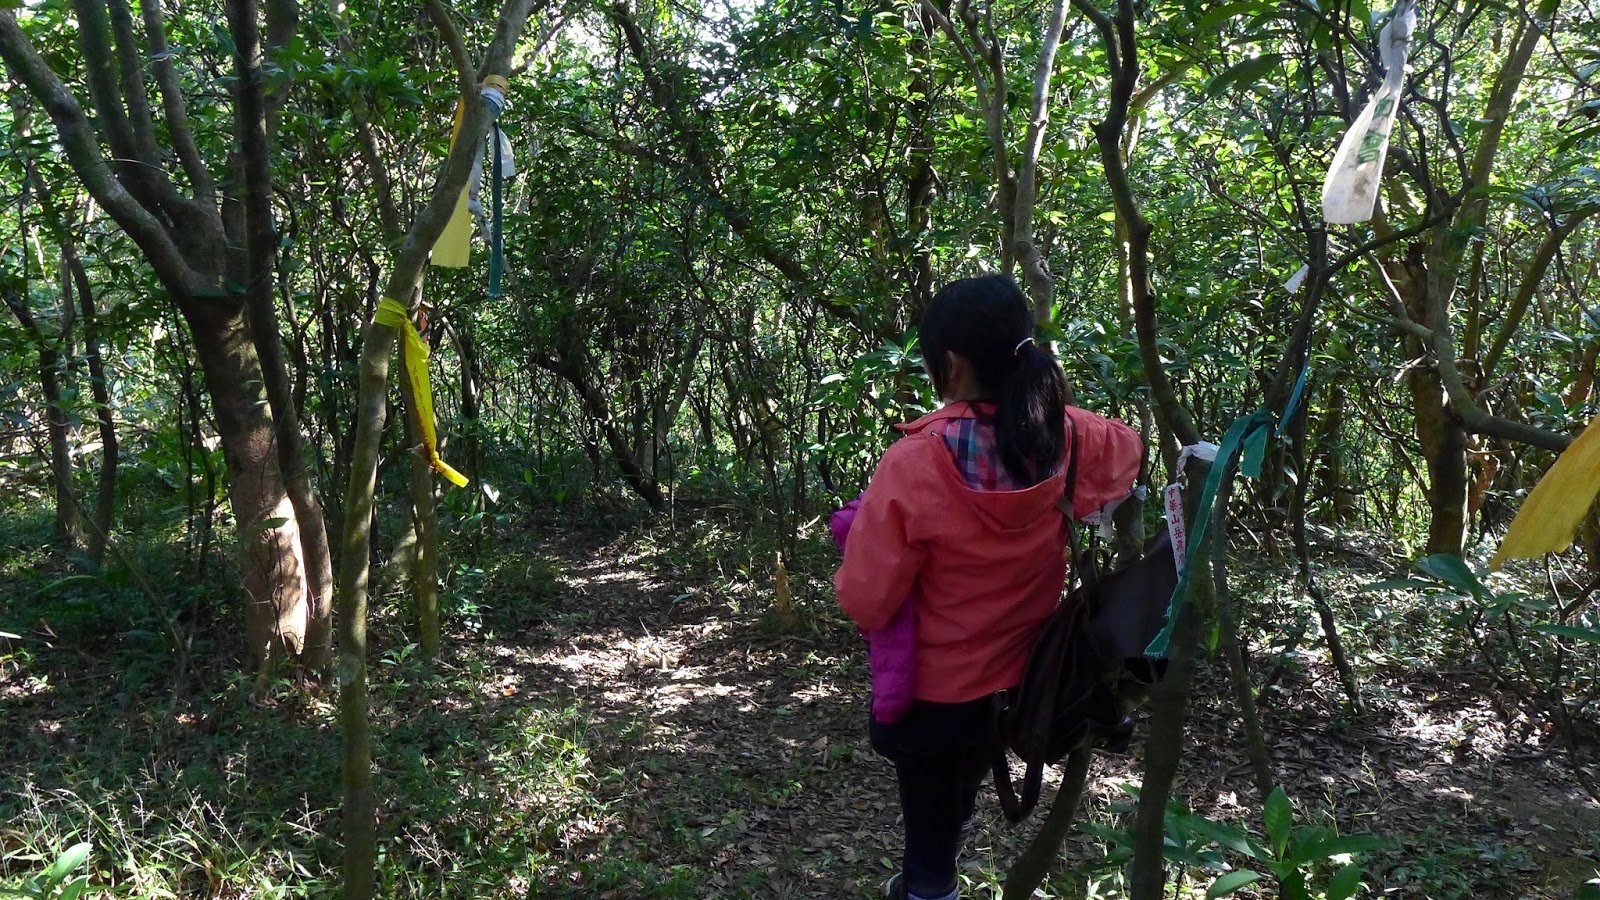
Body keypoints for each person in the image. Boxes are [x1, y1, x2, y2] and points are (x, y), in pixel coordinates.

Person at [834, 274, 1143, 900]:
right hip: (1023, 680)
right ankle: (950, 841)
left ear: (951, 365)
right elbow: (1128, 449)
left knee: (928, 833)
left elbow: (866, 598)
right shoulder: (1068, 436)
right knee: (966, 774)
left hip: (934, 692)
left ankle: (929, 886)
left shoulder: (915, 462)